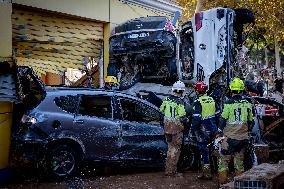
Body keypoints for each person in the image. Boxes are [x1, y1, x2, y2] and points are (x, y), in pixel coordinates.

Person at [218, 77, 254, 184]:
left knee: (223, 163)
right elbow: (251, 122)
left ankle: (223, 184)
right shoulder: (247, 104)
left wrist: (219, 132)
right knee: (239, 164)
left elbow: (222, 121)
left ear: (231, 90)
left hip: (229, 140)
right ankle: (239, 185)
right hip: (243, 139)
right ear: (242, 89)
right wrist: (246, 132)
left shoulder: (228, 104)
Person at [190, 81, 218, 180]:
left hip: (203, 130)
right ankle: (214, 170)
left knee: (203, 151)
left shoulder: (198, 102)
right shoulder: (211, 99)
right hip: (213, 128)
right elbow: (217, 114)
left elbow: (196, 119)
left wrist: (192, 129)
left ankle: (207, 174)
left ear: (197, 91)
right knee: (211, 149)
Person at [160, 80, 187, 176]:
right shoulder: (180, 102)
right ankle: (172, 171)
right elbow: (182, 116)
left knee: (170, 148)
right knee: (176, 149)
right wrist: (187, 120)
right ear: (182, 91)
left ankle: (168, 170)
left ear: (173, 90)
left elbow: (161, 110)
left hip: (167, 127)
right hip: (176, 128)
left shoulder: (167, 99)